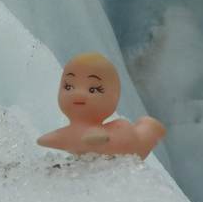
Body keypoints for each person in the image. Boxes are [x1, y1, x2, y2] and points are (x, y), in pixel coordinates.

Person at [36, 52, 166, 159]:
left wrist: (95, 138)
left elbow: (98, 137)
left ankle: (150, 127)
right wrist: (49, 139)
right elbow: (57, 138)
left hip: (124, 138)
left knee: (143, 141)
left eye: (93, 89)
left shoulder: (95, 133)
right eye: (68, 87)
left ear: (115, 95)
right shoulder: (71, 133)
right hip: (106, 143)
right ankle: (148, 127)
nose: (78, 94)